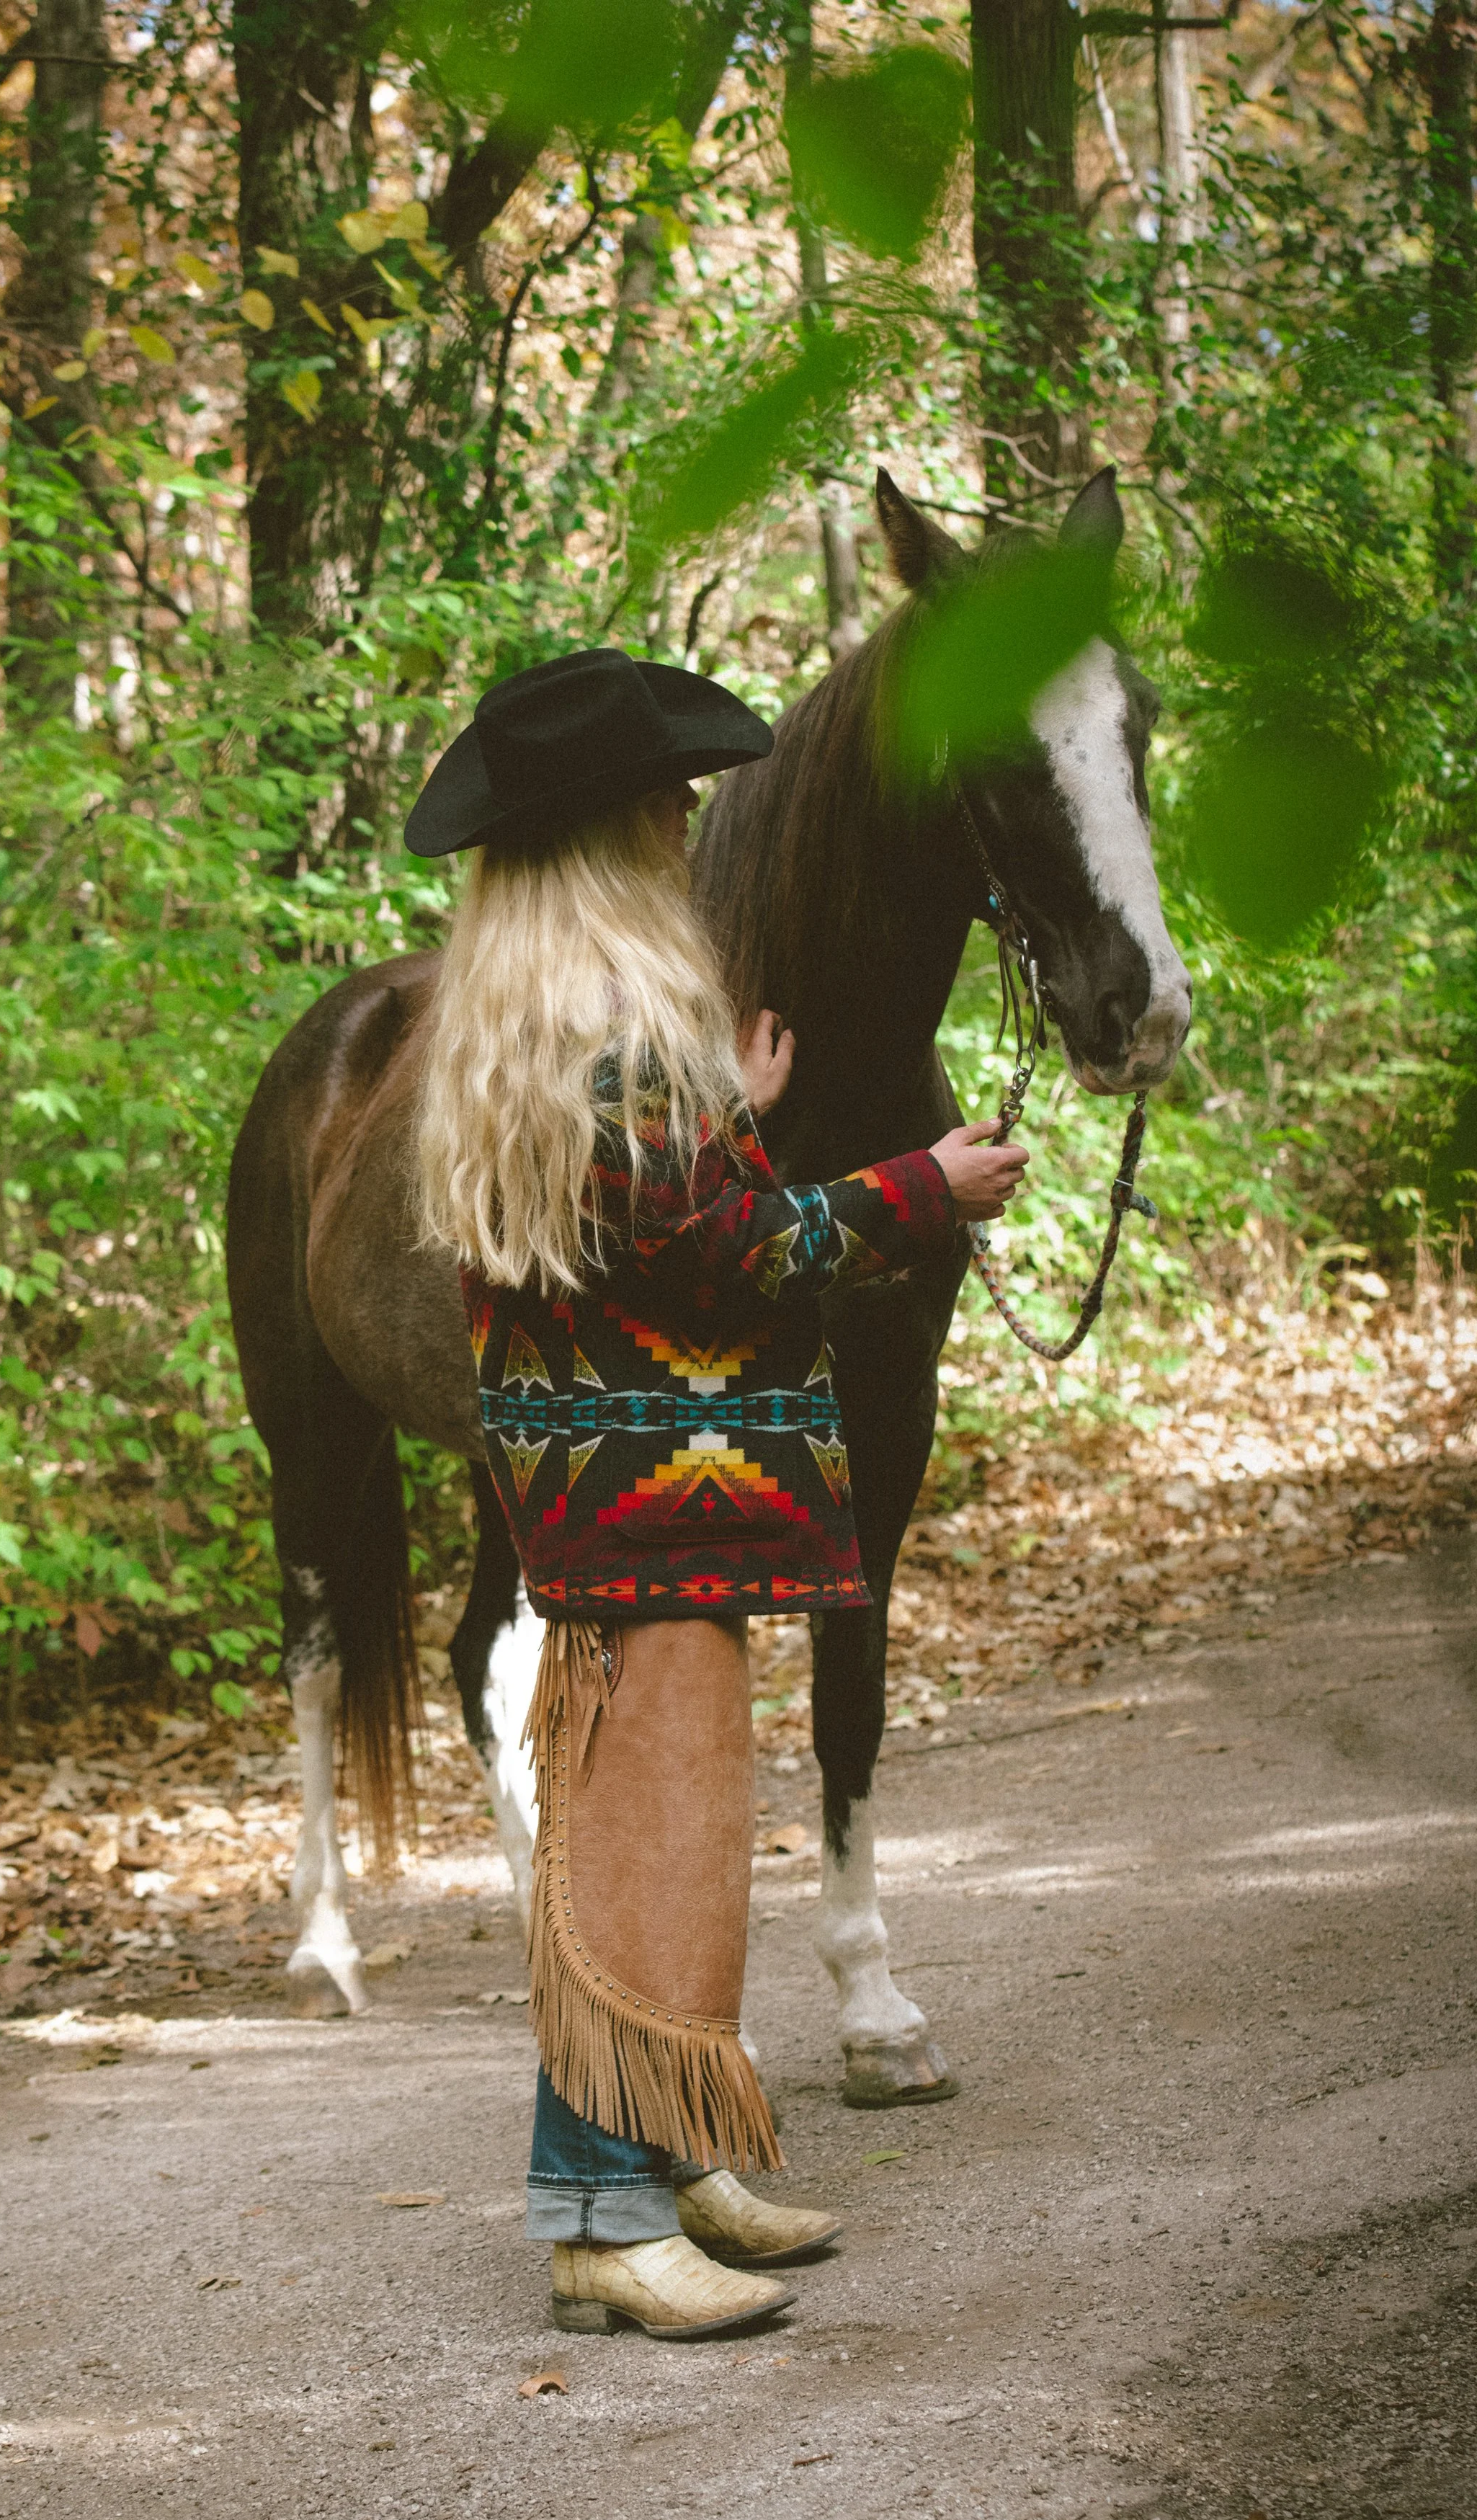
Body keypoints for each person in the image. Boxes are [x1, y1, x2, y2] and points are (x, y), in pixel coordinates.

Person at [409, 648, 1030, 2340]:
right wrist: (923, 1189)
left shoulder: (559, 1021)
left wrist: (728, 1117)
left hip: (617, 1492)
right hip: (650, 1506)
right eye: (663, 796)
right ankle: (603, 2220)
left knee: (665, 1840)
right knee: (639, 1855)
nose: (691, 816)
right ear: (605, 829)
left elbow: (632, 1230)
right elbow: (718, 1263)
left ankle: (672, 2162)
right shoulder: (612, 1035)